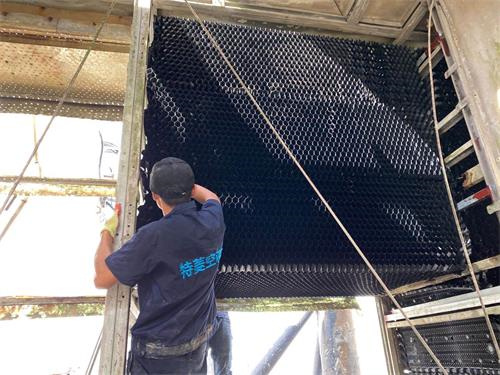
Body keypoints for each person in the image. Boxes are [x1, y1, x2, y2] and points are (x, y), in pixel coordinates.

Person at [94, 157, 225, 374]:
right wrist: (189, 188)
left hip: (160, 355)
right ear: (191, 189)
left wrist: (106, 233)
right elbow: (212, 198)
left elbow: (102, 278)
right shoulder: (213, 219)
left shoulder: (153, 236)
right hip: (199, 338)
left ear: (155, 196)